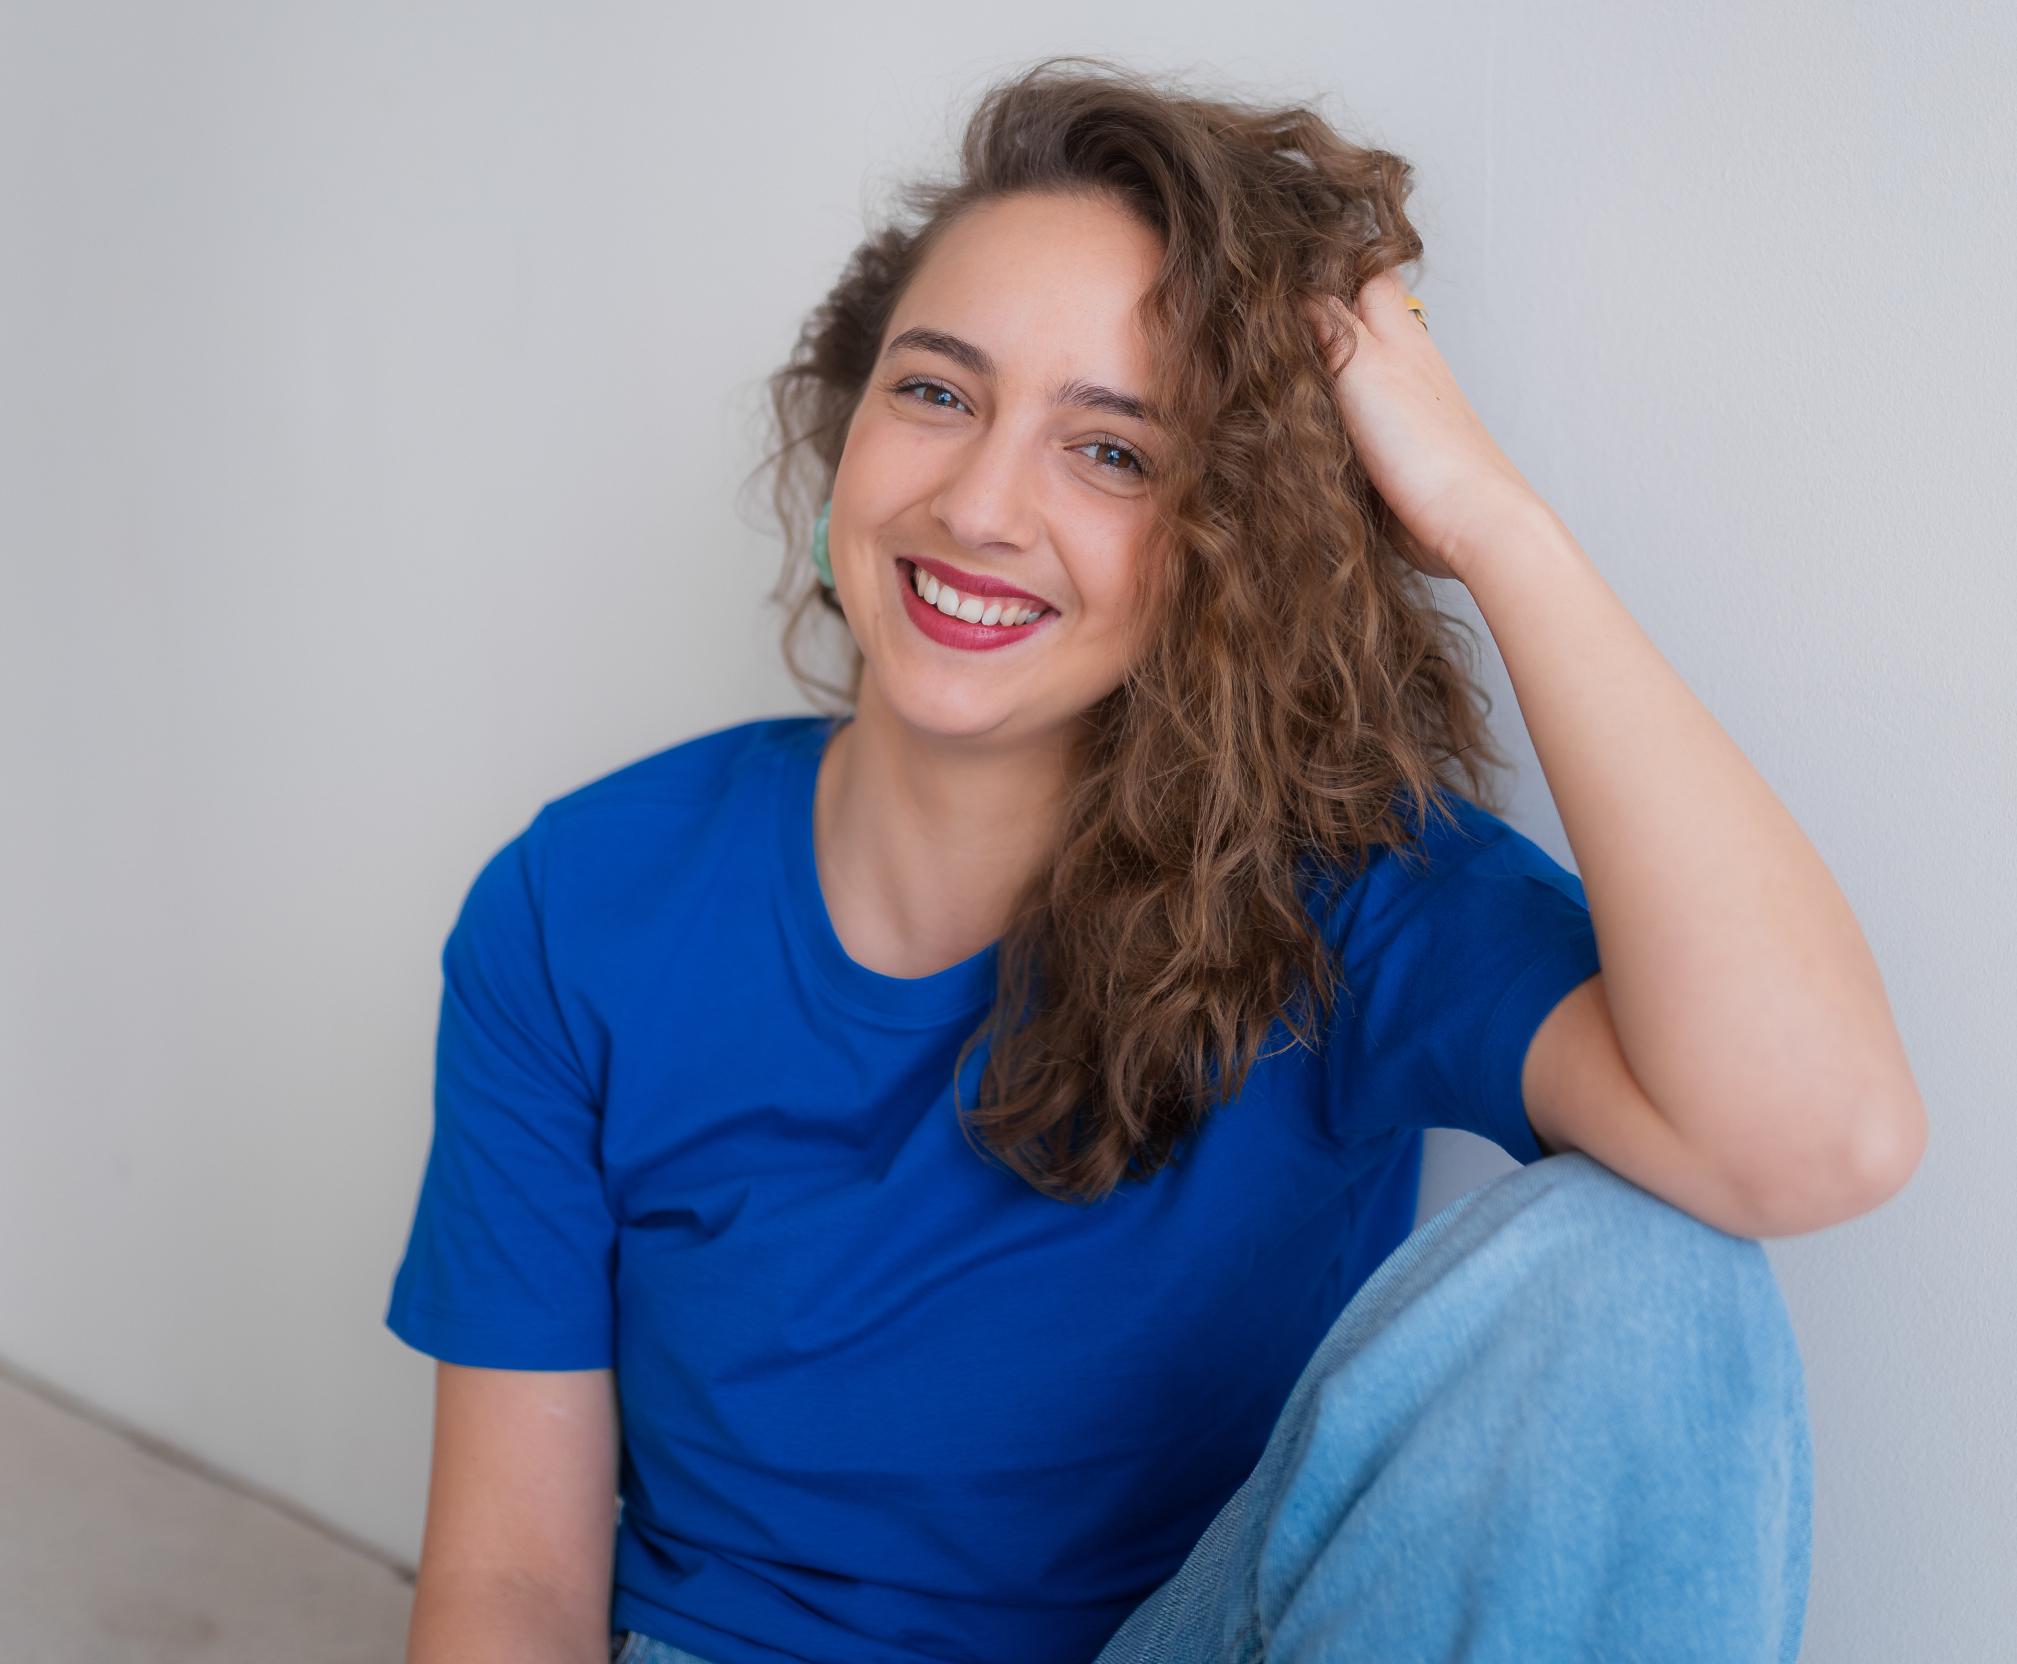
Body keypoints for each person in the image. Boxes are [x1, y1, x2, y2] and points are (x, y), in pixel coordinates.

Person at [389, 63, 1926, 1664]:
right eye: (937, 392)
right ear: (850, 417)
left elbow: (1817, 1134)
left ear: (1229, 546)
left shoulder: (1354, 901)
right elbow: (511, 1585)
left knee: (1652, 1266)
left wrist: (1491, 524)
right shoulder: (579, 903)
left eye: (1114, 452)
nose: (982, 504)